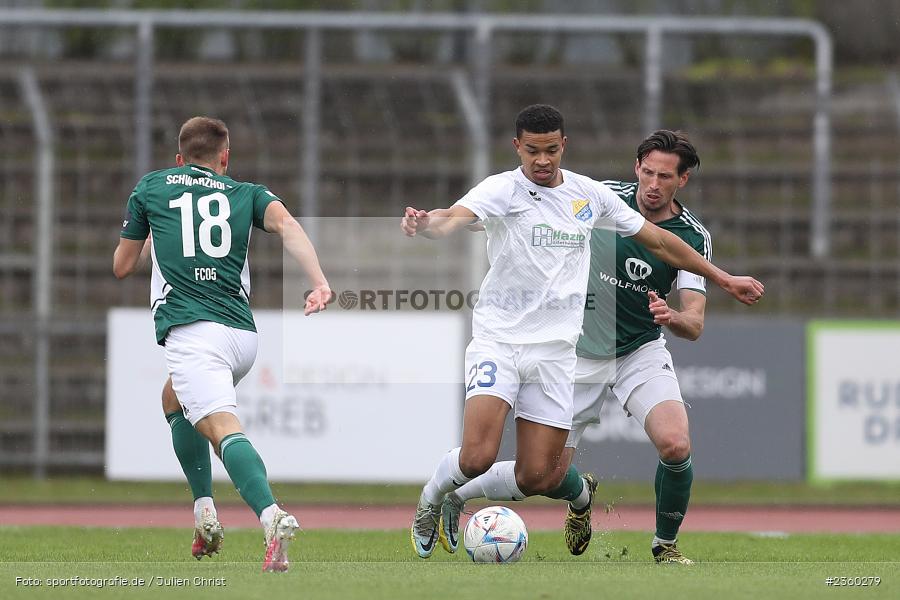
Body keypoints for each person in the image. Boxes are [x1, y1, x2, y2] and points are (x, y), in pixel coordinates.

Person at [400, 105, 764, 559]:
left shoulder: (591, 197)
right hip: (525, 344)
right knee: (488, 461)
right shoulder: (506, 188)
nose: (542, 160)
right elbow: (457, 216)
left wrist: (722, 280)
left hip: (589, 351)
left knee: (560, 470)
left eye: (551, 149)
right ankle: (437, 497)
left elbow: (660, 243)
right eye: (532, 150)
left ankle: (634, 528)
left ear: (563, 146)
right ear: (518, 148)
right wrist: (427, 224)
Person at [446, 130, 716, 564]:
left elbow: (695, 323)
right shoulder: (599, 196)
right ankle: (572, 497)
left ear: (682, 180)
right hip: (573, 354)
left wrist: (674, 318)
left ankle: (665, 544)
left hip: (637, 351)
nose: (653, 184)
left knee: (676, 443)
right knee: (540, 477)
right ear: (636, 168)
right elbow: (522, 212)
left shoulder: (692, 235)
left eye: (665, 176)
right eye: (647, 172)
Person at [113, 116, 331, 572]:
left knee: (221, 428)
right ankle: (205, 511)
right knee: (173, 398)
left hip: (194, 331)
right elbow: (288, 226)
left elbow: (123, 265)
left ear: (179, 158)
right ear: (224, 159)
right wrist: (318, 283)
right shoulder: (246, 192)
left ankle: (272, 516)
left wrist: (155, 231)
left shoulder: (152, 187)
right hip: (242, 335)